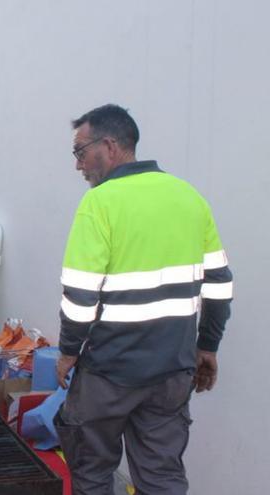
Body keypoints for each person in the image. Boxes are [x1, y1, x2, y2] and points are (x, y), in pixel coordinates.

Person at [54, 104, 233, 494]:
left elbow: (80, 295)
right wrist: (208, 346)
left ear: (110, 145)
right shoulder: (188, 197)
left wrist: (68, 351)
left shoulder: (100, 203)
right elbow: (219, 283)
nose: (78, 165)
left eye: (80, 152)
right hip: (172, 371)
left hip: (109, 374)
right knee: (161, 477)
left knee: (92, 470)